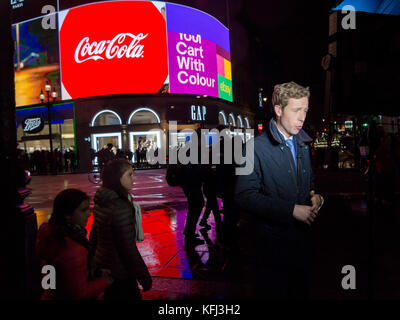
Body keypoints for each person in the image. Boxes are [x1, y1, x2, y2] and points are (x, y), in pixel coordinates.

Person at [235, 81, 324, 299]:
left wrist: (317, 198)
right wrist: (290, 210)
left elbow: (310, 183)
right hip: (270, 253)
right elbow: (243, 196)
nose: (302, 117)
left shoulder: (302, 144)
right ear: (278, 109)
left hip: (302, 249)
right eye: (296, 110)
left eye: (305, 110)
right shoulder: (253, 148)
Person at [91, 159, 152, 300]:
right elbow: (127, 247)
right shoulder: (120, 206)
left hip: (105, 264)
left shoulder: (103, 200)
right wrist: (144, 277)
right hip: (120, 269)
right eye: (129, 175)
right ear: (117, 178)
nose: (133, 179)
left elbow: (95, 236)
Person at [36, 189, 112, 300]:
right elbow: (80, 294)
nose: (89, 214)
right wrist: (106, 280)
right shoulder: (73, 248)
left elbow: (50, 281)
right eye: (83, 210)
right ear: (68, 215)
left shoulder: (50, 237)